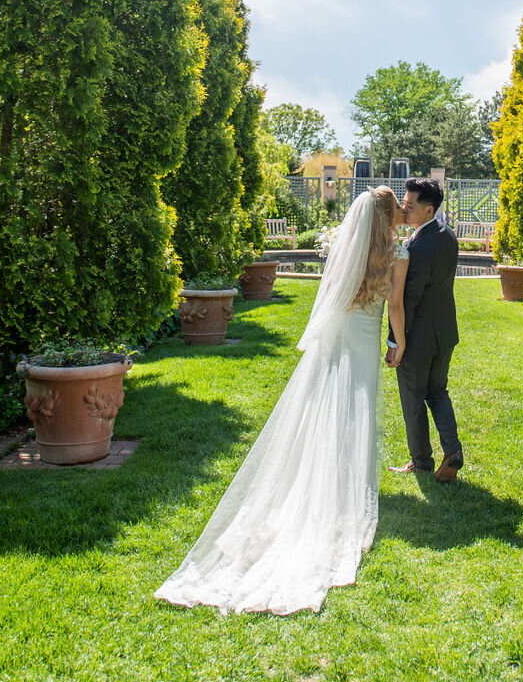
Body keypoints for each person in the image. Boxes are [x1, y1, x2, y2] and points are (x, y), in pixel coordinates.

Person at [155, 186, 409, 615]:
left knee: (326, 406)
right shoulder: (397, 257)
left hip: (341, 334)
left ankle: (324, 481)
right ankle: (345, 493)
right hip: (365, 338)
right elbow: (397, 304)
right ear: (388, 217)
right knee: (356, 408)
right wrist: (398, 343)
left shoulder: (347, 249)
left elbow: (333, 296)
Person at [387, 177, 464, 482]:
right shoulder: (447, 235)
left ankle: (421, 461)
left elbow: (408, 300)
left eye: (408, 205)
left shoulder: (417, 248)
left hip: (418, 337)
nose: (403, 209)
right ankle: (453, 450)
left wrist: (396, 341)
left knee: (413, 397)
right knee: (437, 392)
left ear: (428, 209)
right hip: (444, 333)